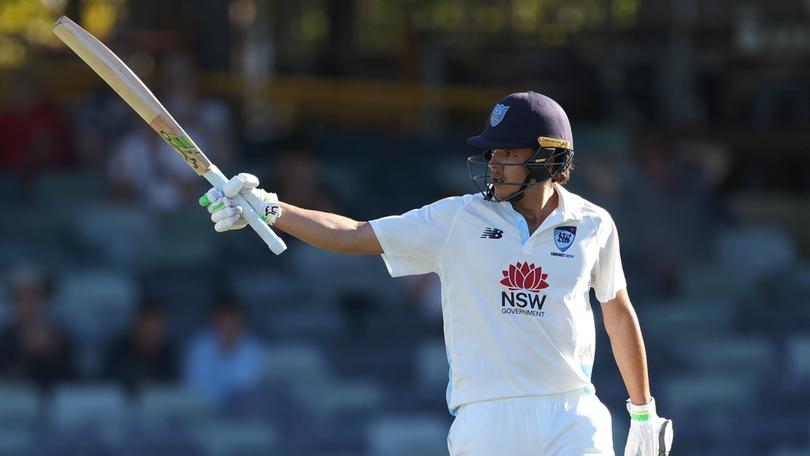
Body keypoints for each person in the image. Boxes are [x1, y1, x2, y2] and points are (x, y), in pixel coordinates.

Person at [199, 92, 673, 455]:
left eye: (507, 154)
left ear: (548, 158)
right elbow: (355, 234)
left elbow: (617, 311)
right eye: (492, 153)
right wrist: (271, 208)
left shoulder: (593, 224)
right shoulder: (457, 220)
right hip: (487, 418)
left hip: (572, 412)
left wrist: (644, 411)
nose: (493, 164)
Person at [0, 264, 76, 390]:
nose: (28, 303)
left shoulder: (60, 336)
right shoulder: (5, 338)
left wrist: (51, 352)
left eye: (34, 297)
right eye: (21, 298)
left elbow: (72, 378)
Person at [182, 296, 266, 408]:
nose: (228, 323)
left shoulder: (253, 346)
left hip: (246, 408)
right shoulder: (199, 346)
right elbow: (196, 386)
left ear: (241, 319)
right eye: (223, 317)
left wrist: (230, 351)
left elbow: (250, 383)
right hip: (206, 408)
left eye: (232, 317)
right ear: (214, 319)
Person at [102, 302, 177, 392]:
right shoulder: (118, 353)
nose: (153, 329)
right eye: (148, 323)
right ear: (136, 323)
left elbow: (171, 389)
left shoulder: (168, 354)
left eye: (157, 324)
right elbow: (107, 389)